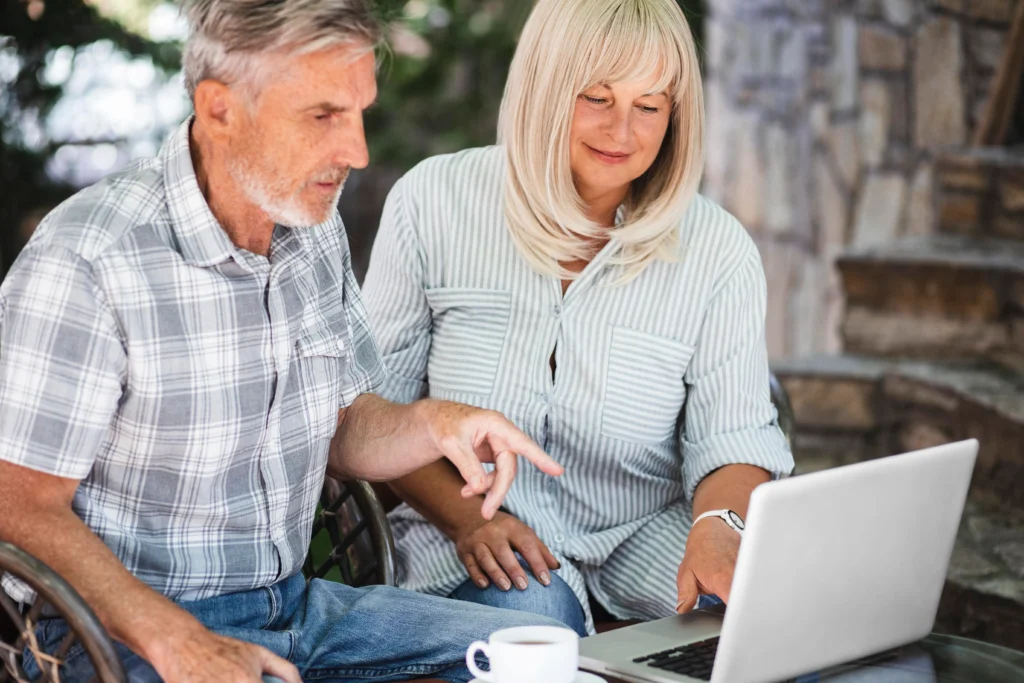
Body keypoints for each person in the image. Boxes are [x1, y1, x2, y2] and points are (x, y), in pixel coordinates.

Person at [0, 2, 568, 682]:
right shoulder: (88, 260)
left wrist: (433, 422)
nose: (356, 151)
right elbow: (17, 503)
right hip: (115, 635)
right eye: (323, 115)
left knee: (540, 648)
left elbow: (346, 425)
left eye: (360, 112)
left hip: (297, 612)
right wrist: (176, 638)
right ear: (219, 111)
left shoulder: (311, 225)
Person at [361, 0, 795, 638]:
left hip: (647, 531)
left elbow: (733, 439)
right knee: (536, 625)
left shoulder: (716, 250)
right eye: (597, 97)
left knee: (779, 628)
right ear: (544, 88)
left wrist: (717, 530)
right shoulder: (433, 203)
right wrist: (468, 521)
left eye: (649, 106)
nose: (622, 130)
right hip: (469, 527)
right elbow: (372, 413)